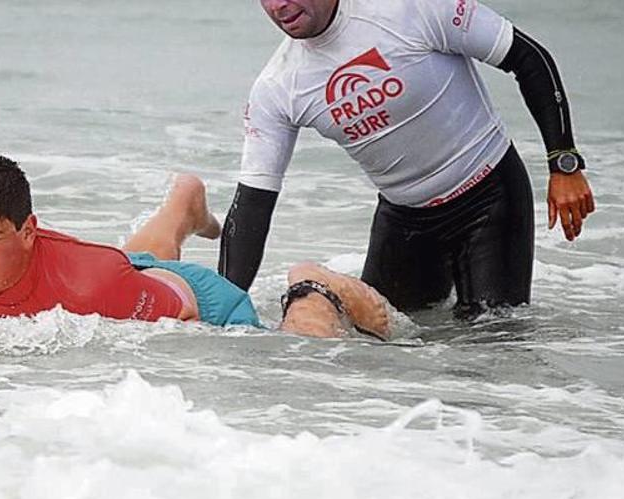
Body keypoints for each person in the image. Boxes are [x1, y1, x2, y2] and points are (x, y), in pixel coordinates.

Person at [221, 0, 596, 318]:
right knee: (380, 342)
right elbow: (253, 202)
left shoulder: (408, 8)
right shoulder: (277, 86)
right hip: (405, 220)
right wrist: (224, 307)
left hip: (489, 198)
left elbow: (529, 58)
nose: (278, 6)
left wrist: (563, 162)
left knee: (490, 346)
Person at [0, 154, 393, 340]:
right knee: (128, 269)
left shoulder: (92, 284)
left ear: (28, 231)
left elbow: (181, 317)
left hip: (198, 299)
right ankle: (182, 205)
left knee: (296, 351)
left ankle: (309, 284)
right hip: (124, 274)